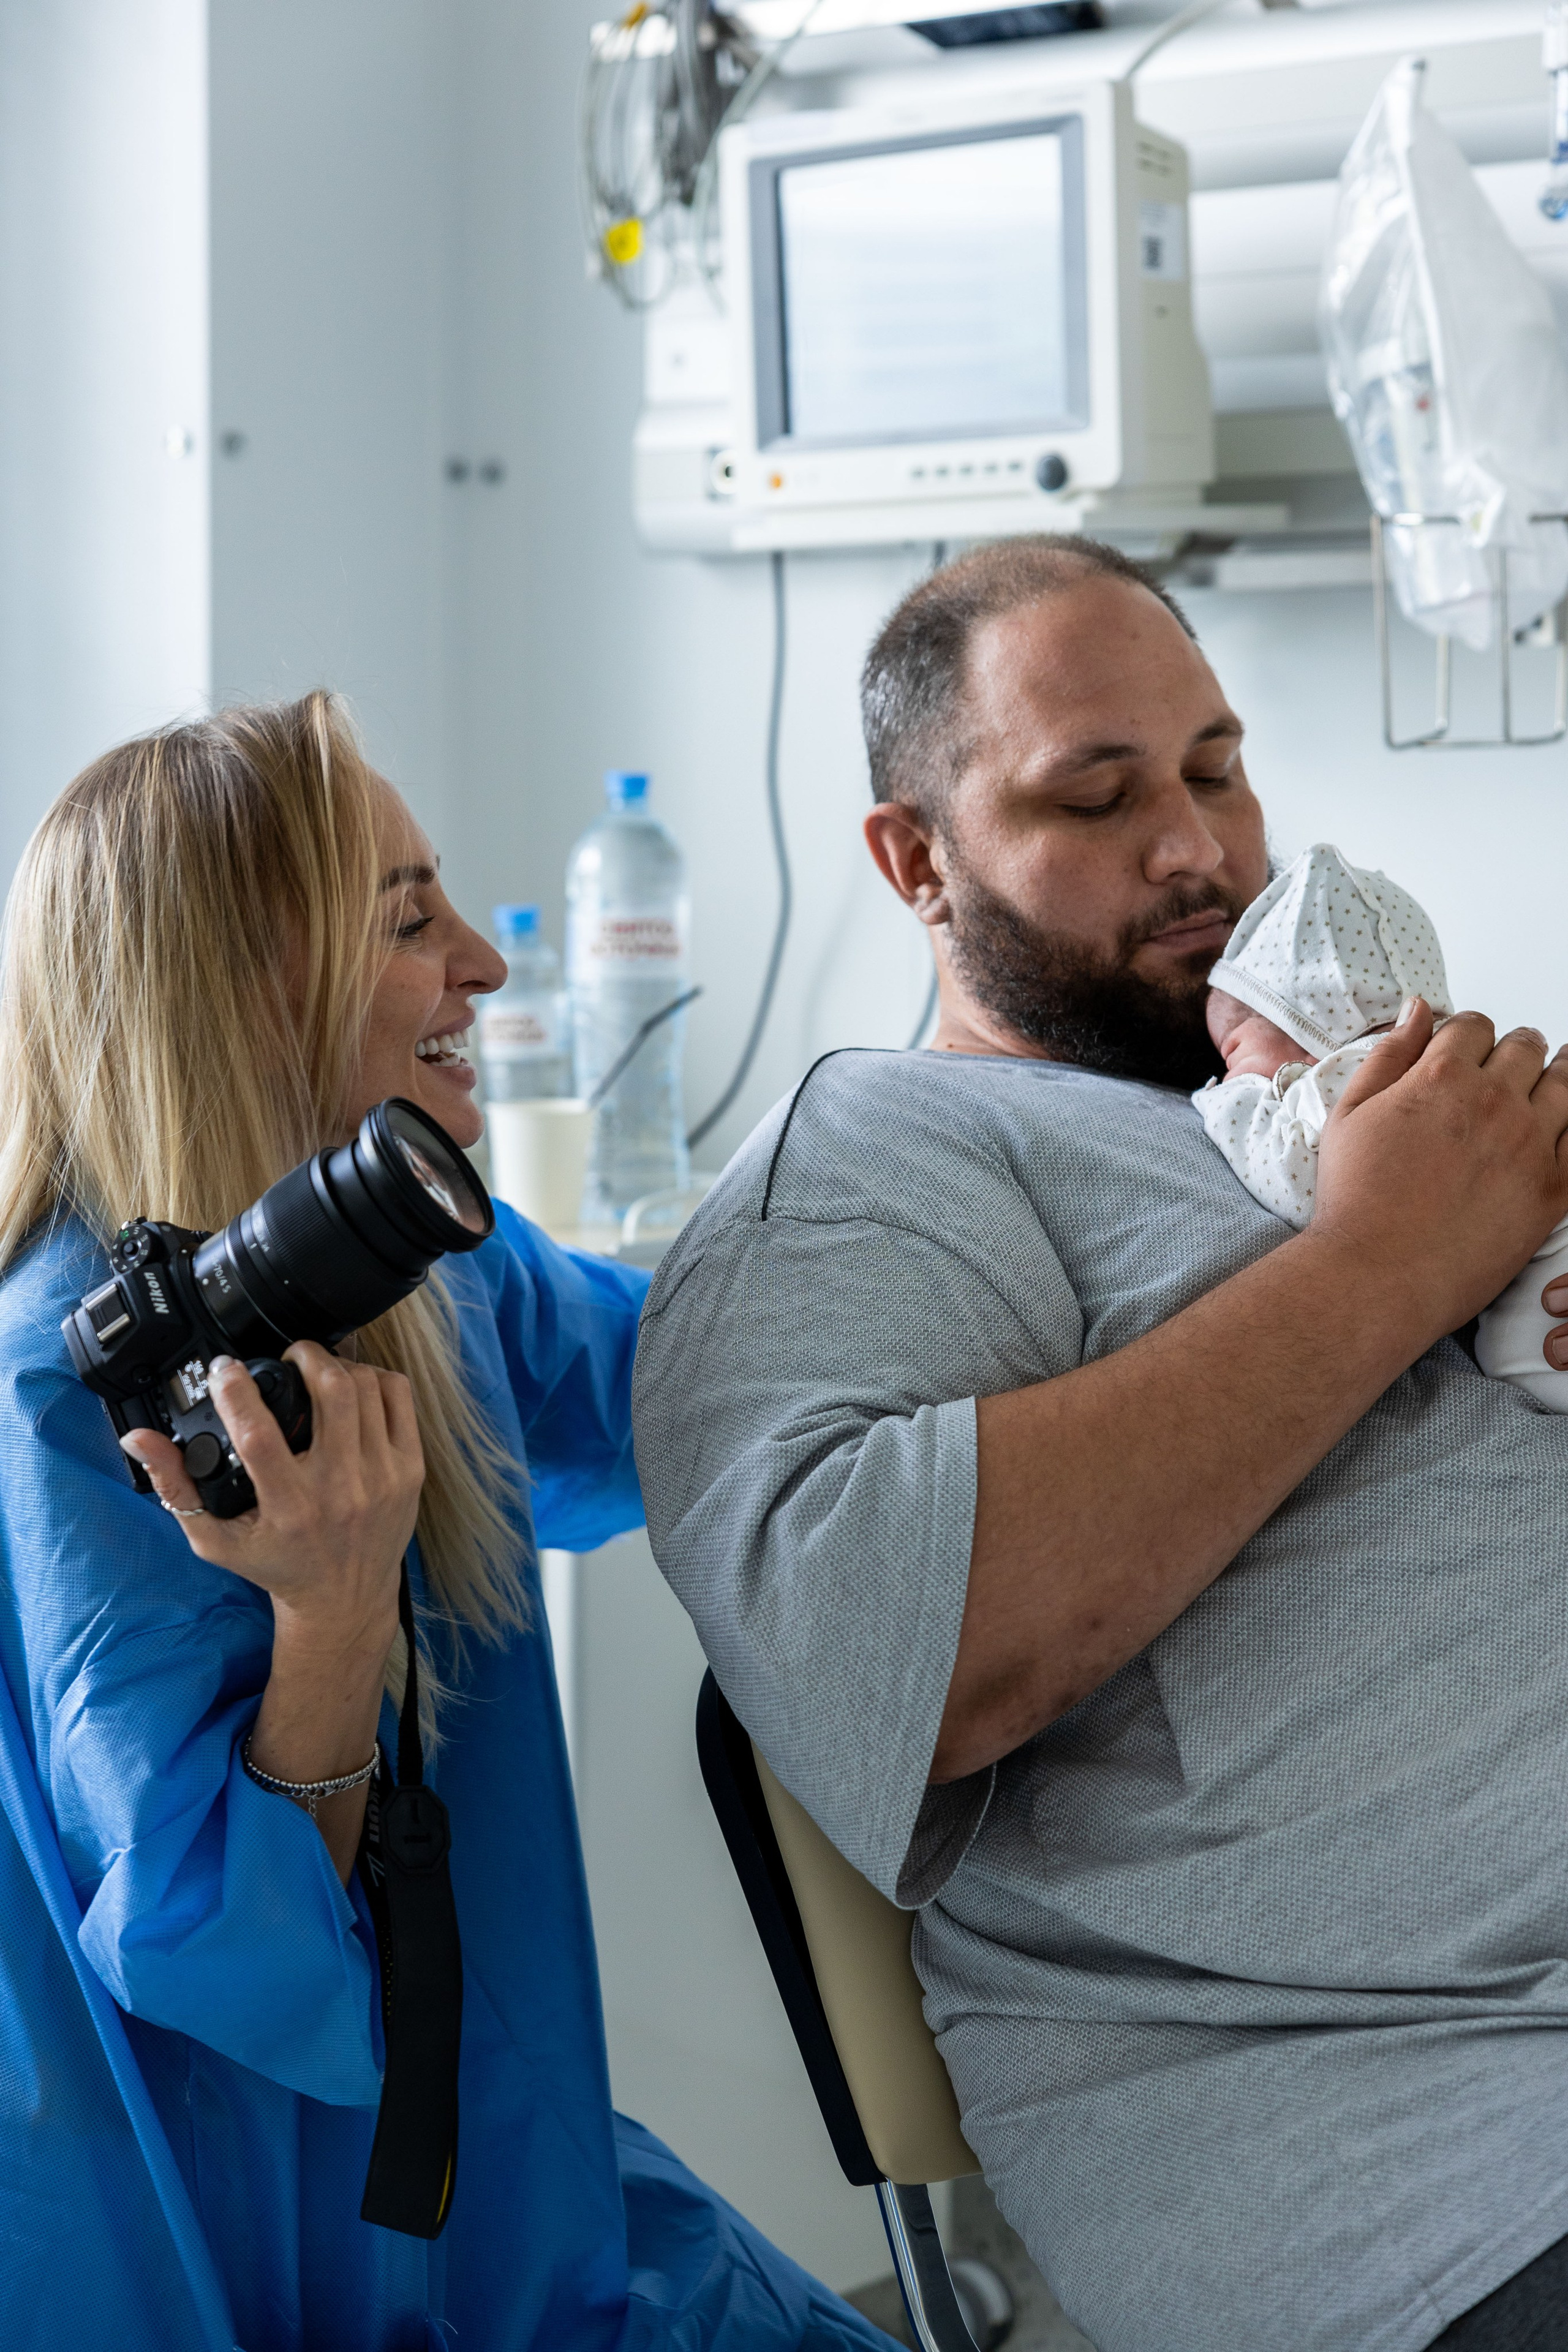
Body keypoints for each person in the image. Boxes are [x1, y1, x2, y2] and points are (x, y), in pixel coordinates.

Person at [631, 535, 1568, 2352]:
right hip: (1433, 2152)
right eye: (1099, 791)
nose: (1199, 850)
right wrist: (1390, 1256)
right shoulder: (873, 1168)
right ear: (914, 858)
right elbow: (904, 1651)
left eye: (1217, 766)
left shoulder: (1293, 1122)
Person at [0, 693, 892, 2352]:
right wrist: (333, 1621)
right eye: (413, 921)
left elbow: (688, 1382)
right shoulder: (75, 1386)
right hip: (216, 2222)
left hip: (483, 2175)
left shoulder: (424, 1269)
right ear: (238, 994)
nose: (484, 966)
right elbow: (223, 1961)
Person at [1195, 840, 1568, 1412]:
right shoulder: (1470, 1064)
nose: (1229, 1073)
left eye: (1234, 1051)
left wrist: (1226, 1103)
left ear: (1304, 1029)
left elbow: (1304, 1188)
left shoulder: (1347, 1081)